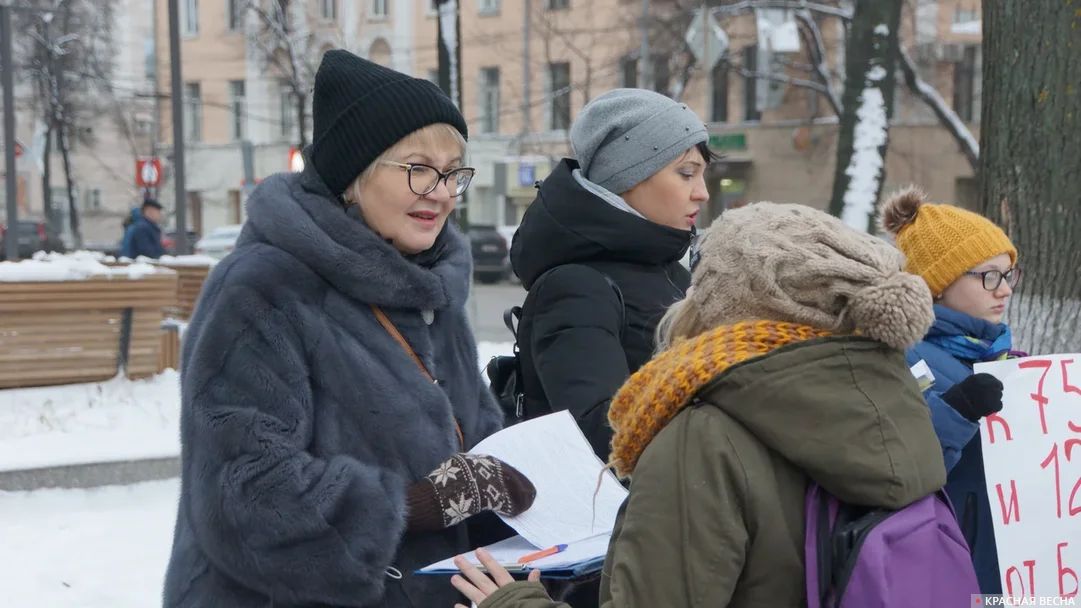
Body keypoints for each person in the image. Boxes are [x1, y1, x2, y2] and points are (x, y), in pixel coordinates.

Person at [162, 50, 536, 608]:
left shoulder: (429, 289)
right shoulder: (263, 289)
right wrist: (411, 505)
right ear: (353, 175)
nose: (441, 192)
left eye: (454, 171)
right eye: (418, 168)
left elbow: (472, 443)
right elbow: (242, 495)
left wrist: (518, 513)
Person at [451, 202, 948, 607]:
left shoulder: (706, 436)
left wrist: (514, 603)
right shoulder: (891, 404)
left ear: (726, 301)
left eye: (702, 277)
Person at [510, 88, 712, 460]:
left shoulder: (670, 272)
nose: (702, 193)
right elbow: (605, 435)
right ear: (628, 177)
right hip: (618, 515)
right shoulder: (577, 287)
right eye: (686, 174)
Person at [879, 187, 1020, 595]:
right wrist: (956, 412)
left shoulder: (997, 353)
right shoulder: (898, 356)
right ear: (937, 283)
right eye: (988, 275)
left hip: (1009, 567)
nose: (1005, 289)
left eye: (1008, 274)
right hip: (950, 571)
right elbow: (895, 468)